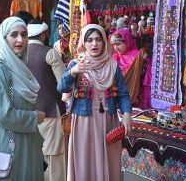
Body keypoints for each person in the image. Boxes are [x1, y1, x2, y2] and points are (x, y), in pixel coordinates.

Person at [57, 24, 132, 181]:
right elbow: (61, 87)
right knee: (85, 163)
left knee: (110, 163)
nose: (94, 44)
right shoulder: (76, 64)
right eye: (89, 40)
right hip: (83, 122)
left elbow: (123, 94)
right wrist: (73, 72)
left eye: (98, 39)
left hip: (109, 122)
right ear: (83, 43)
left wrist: (126, 114)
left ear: (104, 42)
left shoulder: (112, 66)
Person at [0, 16, 45, 181]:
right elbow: (3, 114)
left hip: (25, 144)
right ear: (3, 38)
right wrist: (34, 117)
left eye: (24, 34)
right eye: (13, 35)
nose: (20, 40)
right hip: (7, 147)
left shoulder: (19, 66)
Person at [26, 19, 67, 181]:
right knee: (55, 154)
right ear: (43, 35)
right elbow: (64, 83)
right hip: (51, 110)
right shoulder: (50, 53)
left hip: (28, 112)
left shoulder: (18, 55)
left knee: (35, 152)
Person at [110, 28, 152, 109]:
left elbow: (146, 77)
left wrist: (145, 60)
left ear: (127, 41)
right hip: (118, 99)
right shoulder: (115, 57)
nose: (115, 48)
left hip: (136, 99)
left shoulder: (138, 56)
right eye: (114, 45)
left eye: (118, 44)